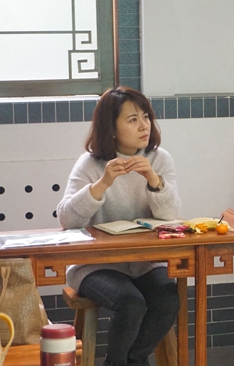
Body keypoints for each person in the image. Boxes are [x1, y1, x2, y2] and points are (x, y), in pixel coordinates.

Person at [57, 87, 181, 366]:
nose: (144, 126)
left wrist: (153, 179)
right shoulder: (89, 163)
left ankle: (132, 360)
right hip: (95, 264)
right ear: (111, 128)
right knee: (130, 303)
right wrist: (102, 184)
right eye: (132, 119)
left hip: (145, 262)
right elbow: (66, 219)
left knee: (168, 299)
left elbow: (170, 215)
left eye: (146, 117)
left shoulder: (160, 159)